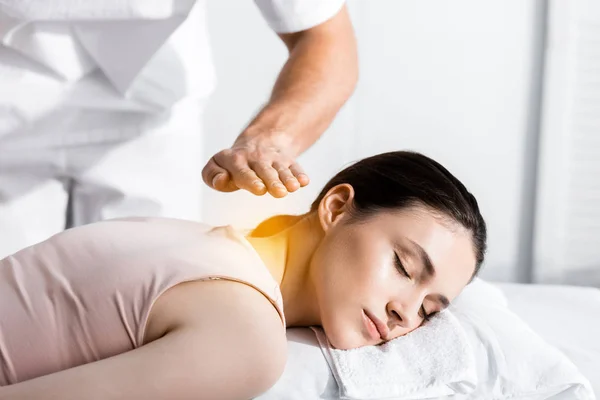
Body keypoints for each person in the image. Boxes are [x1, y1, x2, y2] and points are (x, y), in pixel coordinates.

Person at [0, 151, 487, 399]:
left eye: (429, 310)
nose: (405, 311)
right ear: (337, 207)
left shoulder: (201, 239)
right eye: (403, 266)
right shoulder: (247, 334)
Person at [0, 0, 358, 259]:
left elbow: (325, 38)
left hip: (153, 112)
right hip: (8, 100)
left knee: (146, 296)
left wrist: (268, 140)